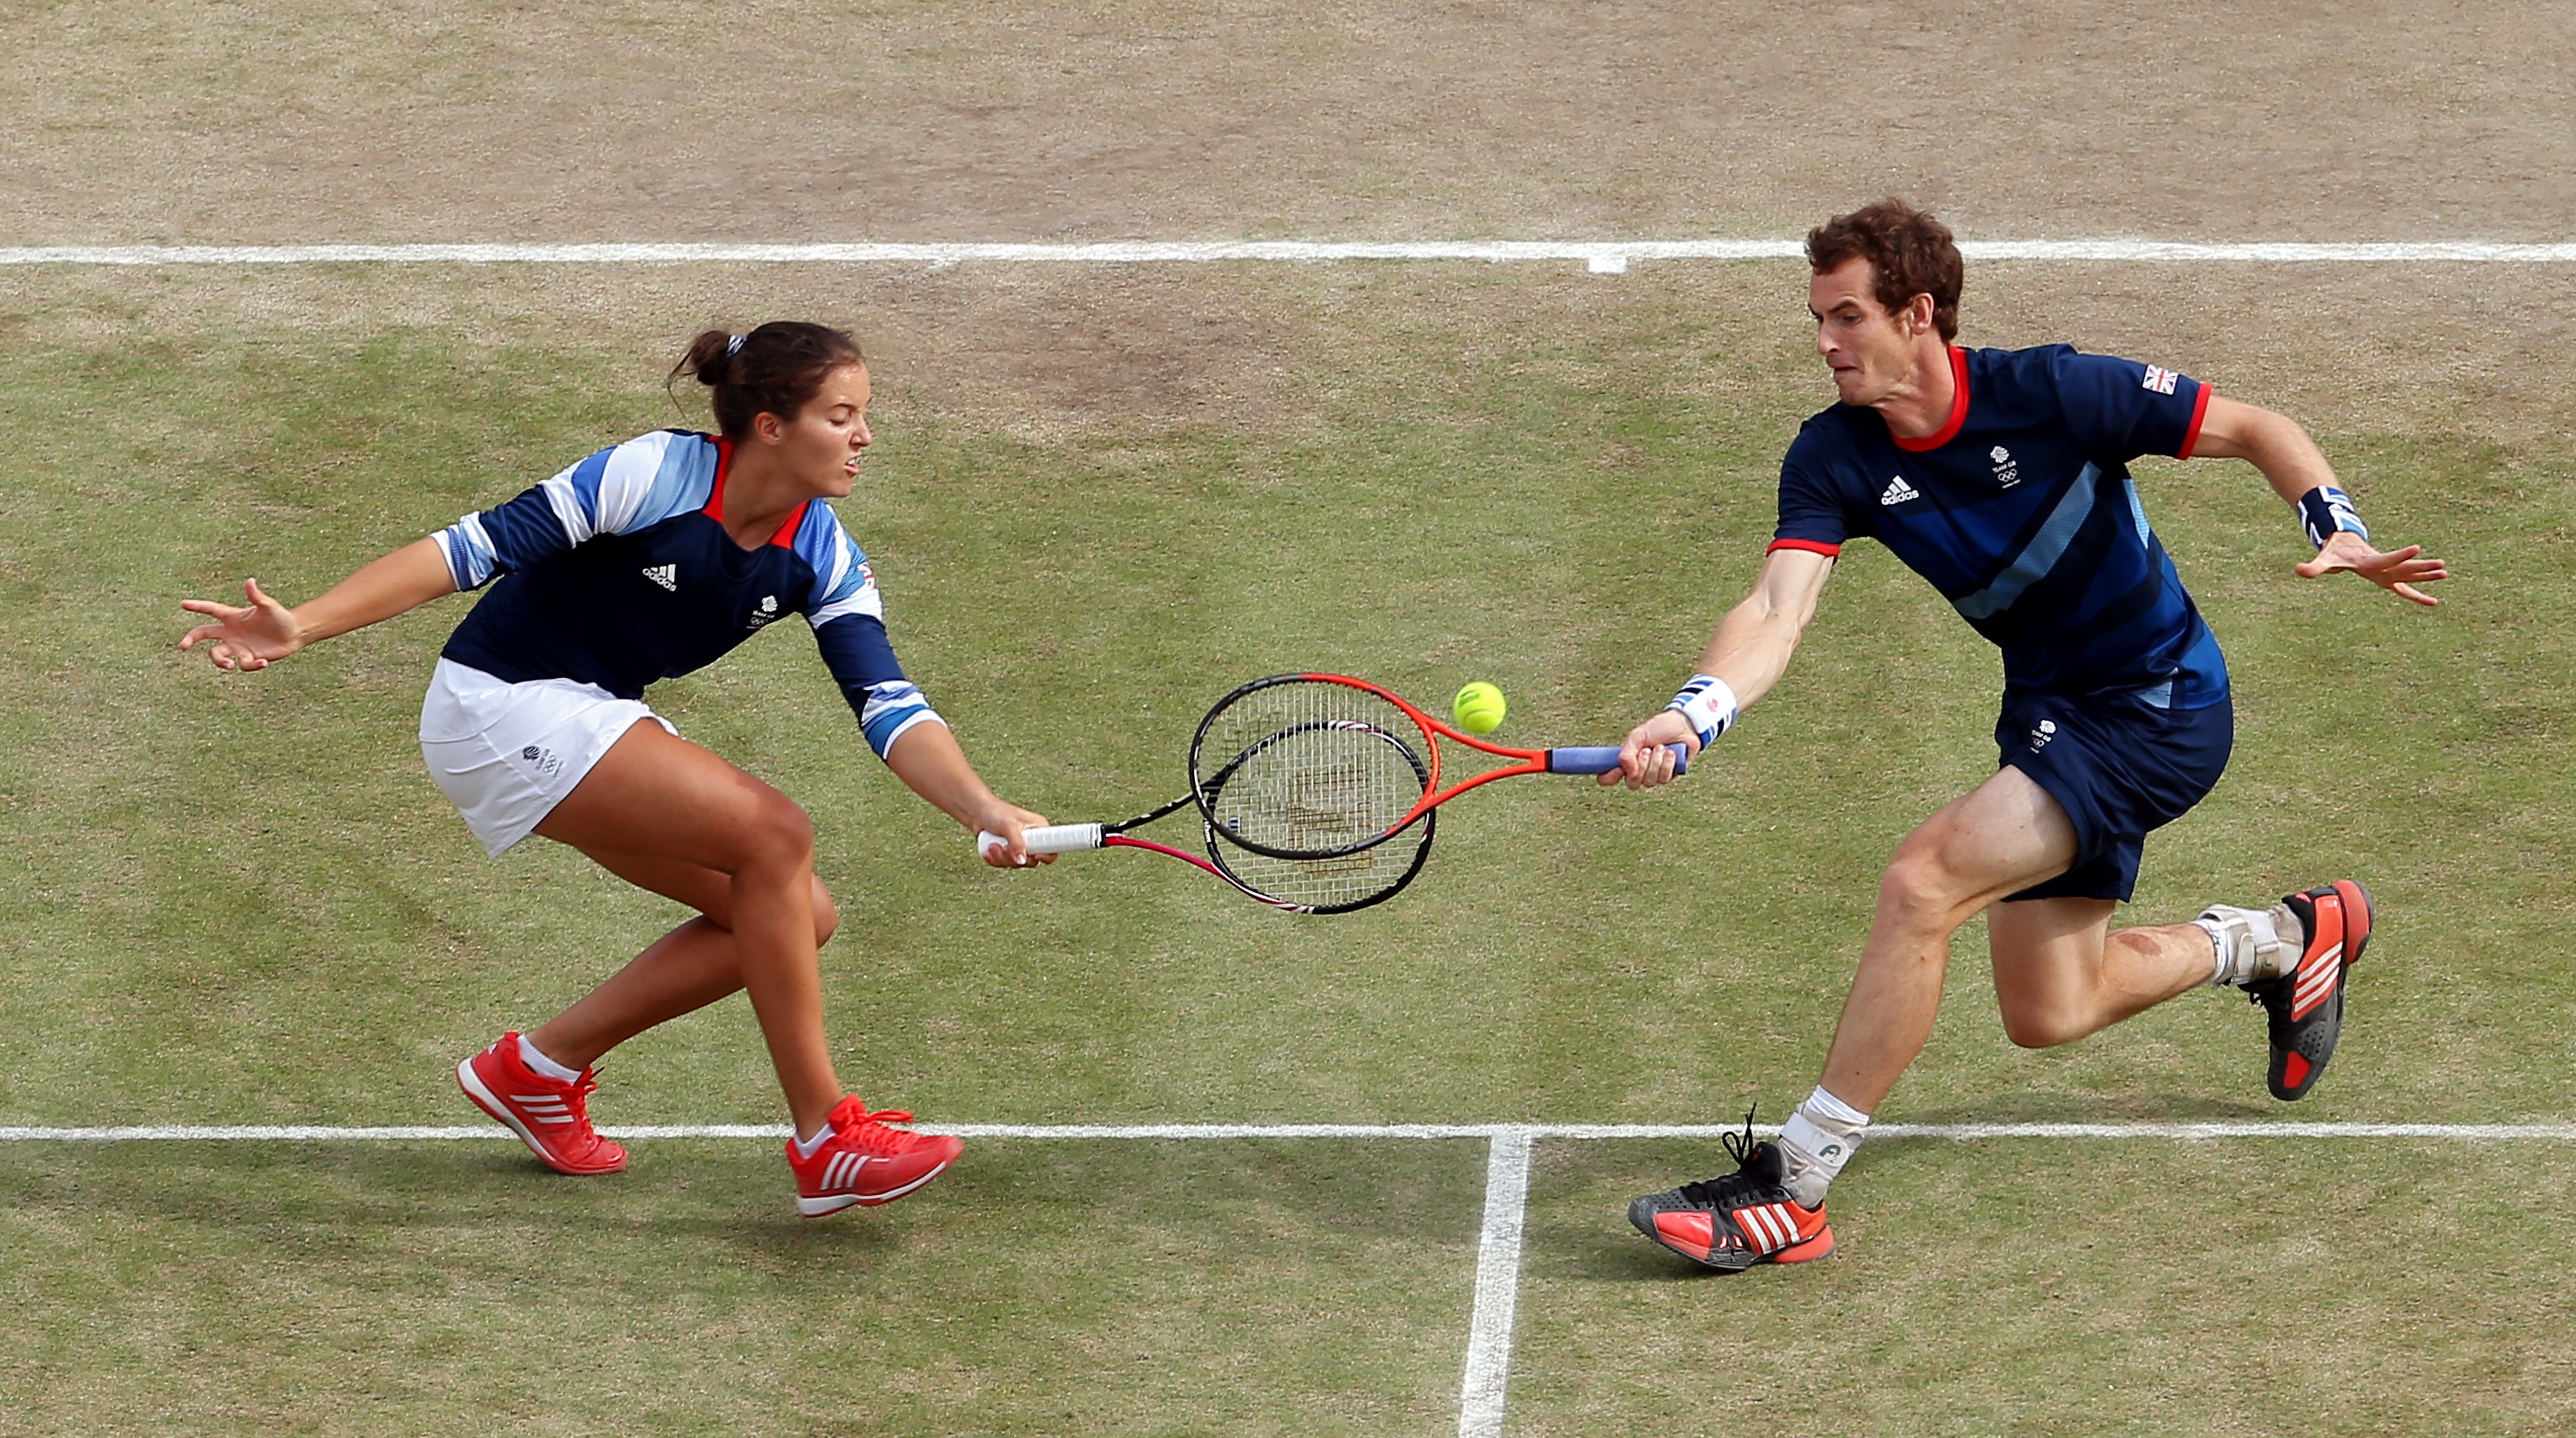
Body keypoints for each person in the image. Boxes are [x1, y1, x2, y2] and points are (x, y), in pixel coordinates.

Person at [1607, 201, 2448, 1272]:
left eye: (1847, 316)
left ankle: (1796, 1185)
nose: (1825, 342)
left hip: (2160, 706)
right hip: (2053, 715)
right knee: (2053, 1006)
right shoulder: (1834, 457)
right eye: (1818, 319)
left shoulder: (2050, 393)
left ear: (1918, 314)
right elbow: (1778, 608)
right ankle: (2282, 940)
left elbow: (2251, 427)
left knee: (1922, 882)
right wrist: (1696, 709)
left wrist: (2337, 526)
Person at [179, 322, 1053, 1217]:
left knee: (795, 911)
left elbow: (888, 702)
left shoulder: (823, 554)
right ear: (770, 425)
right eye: (843, 415)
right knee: (777, 835)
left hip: (594, 710)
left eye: (864, 415)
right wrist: (306, 625)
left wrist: (980, 806)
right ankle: (826, 1133)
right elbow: (466, 550)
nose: (865, 436)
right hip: (499, 701)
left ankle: (536, 1069)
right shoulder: (652, 474)